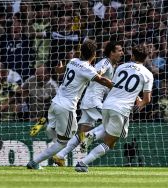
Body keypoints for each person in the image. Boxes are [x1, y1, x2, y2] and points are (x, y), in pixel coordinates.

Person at [26, 39, 113, 170]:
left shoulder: (73, 62)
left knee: (66, 135)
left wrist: (59, 69)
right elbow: (101, 80)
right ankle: (34, 162)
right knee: (63, 142)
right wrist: (118, 87)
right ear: (94, 54)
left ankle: (50, 126)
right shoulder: (87, 69)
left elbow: (60, 70)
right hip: (66, 107)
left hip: (55, 103)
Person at [75, 45, 154, 172]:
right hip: (121, 109)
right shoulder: (148, 74)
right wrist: (140, 104)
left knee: (108, 130)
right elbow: (147, 99)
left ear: (133, 56)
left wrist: (135, 97)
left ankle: (90, 136)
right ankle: (83, 163)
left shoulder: (121, 67)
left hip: (107, 104)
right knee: (110, 142)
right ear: (146, 58)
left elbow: (116, 86)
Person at [52, 41, 124, 166]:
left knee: (81, 134)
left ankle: (60, 155)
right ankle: (90, 136)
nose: (122, 53)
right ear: (112, 53)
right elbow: (98, 73)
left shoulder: (112, 65)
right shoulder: (105, 62)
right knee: (114, 122)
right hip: (93, 101)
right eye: (119, 50)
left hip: (88, 101)